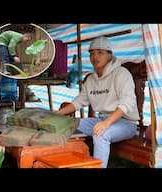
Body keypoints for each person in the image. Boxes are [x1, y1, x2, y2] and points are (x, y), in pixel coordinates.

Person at [58, 36, 139, 168]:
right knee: (68, 125)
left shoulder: (121, 74)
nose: (95, 57)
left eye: (100, 53)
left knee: (101, 134)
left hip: (126, 123)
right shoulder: (91, 79)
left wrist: (107, 123)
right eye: (92, 54)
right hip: (101, 119)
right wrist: (58, 114)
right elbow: (78, 102)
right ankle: (70, 162)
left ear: (109, 56)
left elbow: (127, 104)